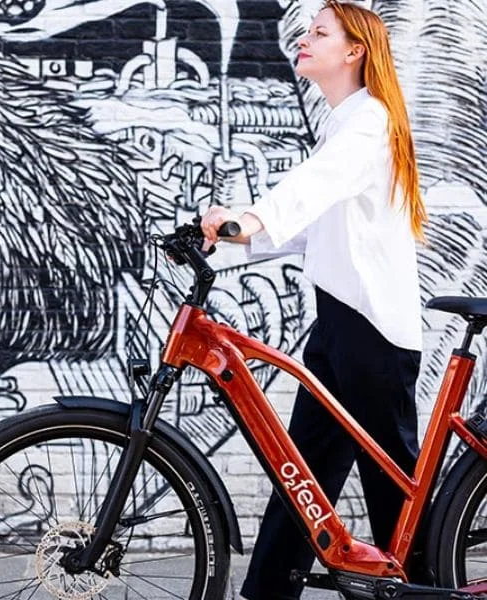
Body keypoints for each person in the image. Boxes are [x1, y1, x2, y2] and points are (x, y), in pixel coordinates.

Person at [200, 2, 427, 599]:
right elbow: (313, 225)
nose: (304, 39)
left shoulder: (368, 121)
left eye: (320, 32)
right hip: (341, 326)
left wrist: (245, 221)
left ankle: (430, 590)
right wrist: (226, 246)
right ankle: (268, 592)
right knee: (301, 480)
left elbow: (313, 188)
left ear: (354, 51)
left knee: (394, 502)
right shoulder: (343, 120)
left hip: (372, 332)